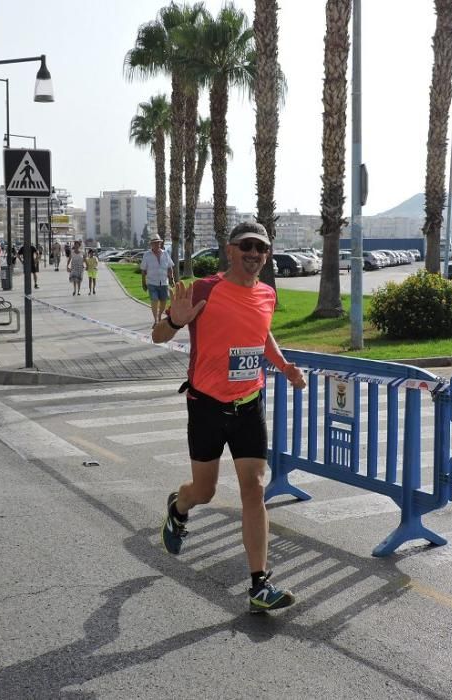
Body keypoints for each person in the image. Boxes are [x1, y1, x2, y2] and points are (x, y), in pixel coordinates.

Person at [151, 222, 307, 613]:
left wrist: (283, 365)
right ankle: (179, 506)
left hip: (248, 403)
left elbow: (262, 333)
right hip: (205, 404)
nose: (255, 254)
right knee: (204, 491)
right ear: (230, 250)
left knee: (253, 488)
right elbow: (158, 336)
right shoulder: (204, 290)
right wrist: (174, 321)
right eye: (248, 246)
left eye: (262, 249)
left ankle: (259, 584)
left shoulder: (268, 294)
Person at [140, 234, 176, 325]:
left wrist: (172, 279)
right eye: (155, 243)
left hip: (164, 282)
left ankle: (159, 315)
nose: (157, 244)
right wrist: (143, 282)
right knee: (154, 300)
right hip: (152, 282)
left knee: (163, 301)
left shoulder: (165, 253)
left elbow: (169, 267)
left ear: (160, 243)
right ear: (151, 244)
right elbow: (143, 270)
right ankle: (155, 319)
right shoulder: (147, 255)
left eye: (158, 243)